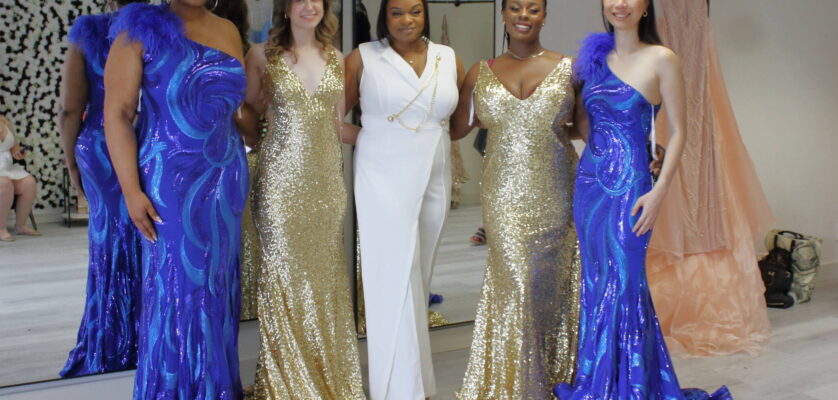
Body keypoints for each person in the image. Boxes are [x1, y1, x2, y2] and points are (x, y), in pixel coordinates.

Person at [554, 0, 730, 398]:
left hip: (633, 189)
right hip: (590, 186)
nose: (620, 4)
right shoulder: (593, 60)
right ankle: (600, 382)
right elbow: (582, 125)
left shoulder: (662, 58)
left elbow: (681, 131)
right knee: (598, 284)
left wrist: (659, 191)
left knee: (627, 284)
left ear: (646, 6)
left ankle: (632, 385)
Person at [104, 1, 247, 397]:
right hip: (168, 180)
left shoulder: (227, 29)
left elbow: (235, 112)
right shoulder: (138, 29)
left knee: (218, 289)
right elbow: (116, 114)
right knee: (175, 288)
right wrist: (132, 192)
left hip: (226, 177)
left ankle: (215, 389)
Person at [449, 1, 581, 398]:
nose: (524, 15)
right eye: (516, 8)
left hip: (557, 188)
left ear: (544, 17)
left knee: (549, 287)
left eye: (534, 8)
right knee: (516, 285)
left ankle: (554, 378)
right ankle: (521, 386)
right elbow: (453, 127)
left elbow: (590, 129)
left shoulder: (570, 68)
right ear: (504, 15)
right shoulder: (479, 72)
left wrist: (642, 144)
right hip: (503, 196)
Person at [241, 0, 365, 397]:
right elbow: (245, 110)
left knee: (325, 282)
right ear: (285, 8)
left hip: (327, 184)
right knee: (285, 280)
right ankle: (287, 383)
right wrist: (263, 139)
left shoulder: (336, 56)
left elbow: (335, 124)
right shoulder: (261, 55)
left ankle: (327, 378)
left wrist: (388, 141)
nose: (309, 6)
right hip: (280, 185)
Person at [343, 0, 464, 397]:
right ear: (384, 16)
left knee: (418, 273)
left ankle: (415, 382)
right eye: (397, 12)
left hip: (435, 169)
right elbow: (329, 115)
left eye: (415, 11)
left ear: (425, 14)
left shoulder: (448, 57)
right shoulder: (363, 57)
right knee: (390, 275)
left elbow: (460, 121)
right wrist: (367, 137)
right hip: (381, 171)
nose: (406, 20)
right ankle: (397, 389)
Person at [646, 0, 773, 357]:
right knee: (674, 167)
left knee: (704, 160)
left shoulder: (698, 13)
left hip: (699, 94)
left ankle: (704, 299)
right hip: (668, 96)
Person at [57, 0, 145, 377]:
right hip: (148, 145)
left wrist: (70, 162)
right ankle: (144, 339)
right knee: (146, 241)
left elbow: (69, 109)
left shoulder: (89, 34)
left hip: (99, 147)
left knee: (109, 244)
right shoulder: (157, 28)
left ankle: (109, 342)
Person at [0, 115, 39, 242]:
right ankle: (1, 228)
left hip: (7, 167)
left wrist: (18, 152)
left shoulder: (4, 120)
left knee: (29, 183)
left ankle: (21, 225)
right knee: (5, 184)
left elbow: (14, 146)